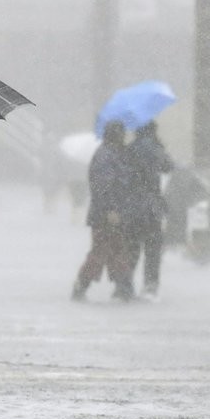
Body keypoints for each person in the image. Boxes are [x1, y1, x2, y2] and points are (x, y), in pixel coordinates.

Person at [71, 120, 136, 302]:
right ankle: (86, 285)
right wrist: (112, 209)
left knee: (113, 249)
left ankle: (123, 287)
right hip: (106, 214)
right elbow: (104, 186)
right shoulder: (106, 156)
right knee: (103, 251)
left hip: (106, 212)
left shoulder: (110, 154)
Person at [125, 120, 174, 300]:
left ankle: (126, 284)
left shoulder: (129, 149)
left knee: (132, 247)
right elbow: (169, 166)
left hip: (131, 207)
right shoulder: (156, 148)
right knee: (153, 249)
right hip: (152, 207)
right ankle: (150, 286)